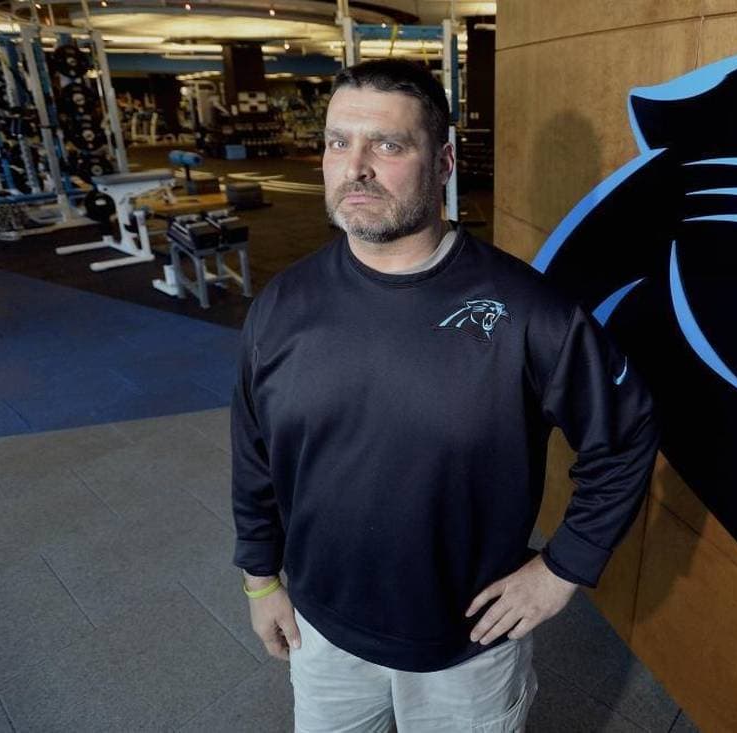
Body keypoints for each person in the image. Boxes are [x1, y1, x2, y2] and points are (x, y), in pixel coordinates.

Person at [230, 58, 660, 732]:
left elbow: (626, 434)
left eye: (388, 145)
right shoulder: (282, 305)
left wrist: (563, 567)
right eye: (339, 142)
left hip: (467, 647)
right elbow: (255, 453)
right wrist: (260, 579)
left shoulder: (527, 311)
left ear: (444, 163)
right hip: (323, 632)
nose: (356, 167)